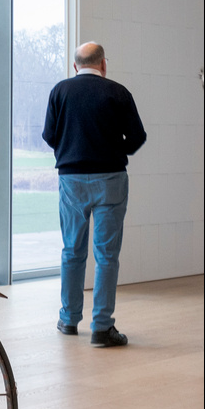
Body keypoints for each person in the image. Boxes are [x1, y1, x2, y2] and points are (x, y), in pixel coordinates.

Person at [43, 41, 145, 347]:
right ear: (103, 64)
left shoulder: (60, 91)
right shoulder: (117, 92)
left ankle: (68, 319)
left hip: (71, 180)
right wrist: (115, 151)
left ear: (76, 66)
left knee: (72, 251)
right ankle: (102, 327)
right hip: (111, 179)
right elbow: (138, 137)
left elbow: (49, 135)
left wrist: (70, 152)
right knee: (106, 256)